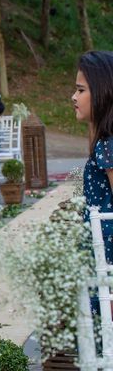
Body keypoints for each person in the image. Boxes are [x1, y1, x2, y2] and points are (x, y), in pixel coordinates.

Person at [73, 51, 113, 262]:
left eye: (81, 90)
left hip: (105, 254)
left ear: (102, 92)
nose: (74, 96)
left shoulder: (108, 144)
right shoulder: (103, 139)